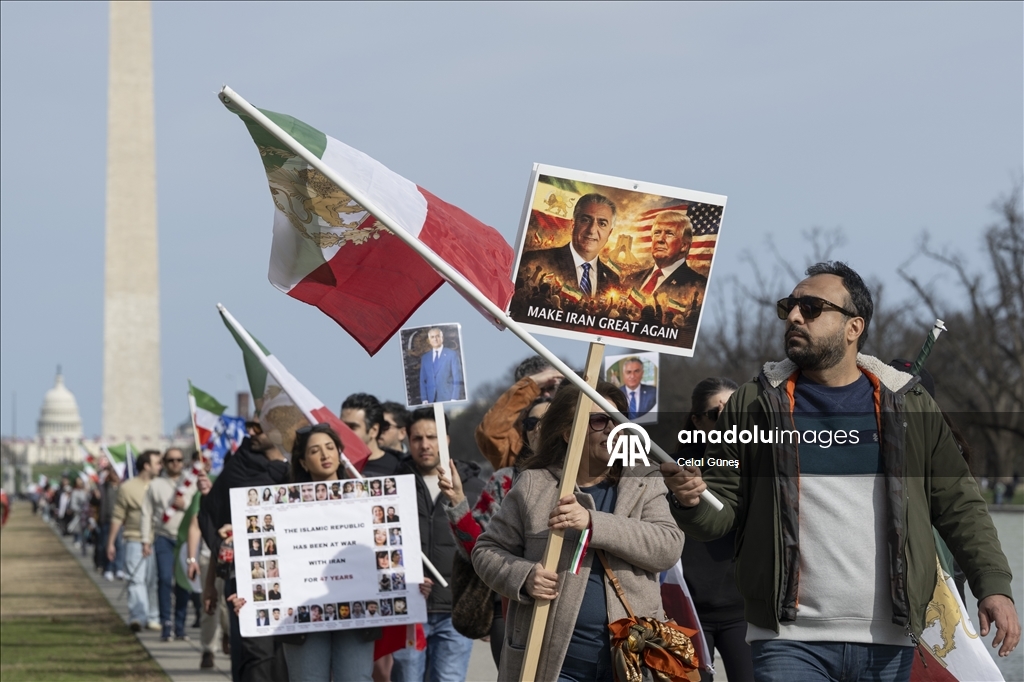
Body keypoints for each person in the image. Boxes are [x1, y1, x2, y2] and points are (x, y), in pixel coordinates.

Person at [662, 261, 1021, 681]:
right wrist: (690, 500)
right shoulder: (752, 404)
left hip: (889, 640)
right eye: (790, 307)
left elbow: (959, 504)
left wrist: (992, 585)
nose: (794, 316)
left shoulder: (909, 403)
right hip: (786, 641)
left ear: (854, 327)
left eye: (812, 308)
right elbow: (719, 508)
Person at [474, 382, 684, 681]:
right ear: (568, 432)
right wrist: (524, 576)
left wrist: (593, 522)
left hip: (631, 662)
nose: (613, 428)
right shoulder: (534, 485)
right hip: (553, 664)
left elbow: (668, 547)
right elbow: (486, 551)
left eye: (620, 418)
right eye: (599, 420)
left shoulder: (644, 479)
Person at [439, 393, 551, 664]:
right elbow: (477, 550)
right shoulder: (504, 482)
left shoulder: (590, 479)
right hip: (510, 607)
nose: (538, 428)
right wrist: (457, 502)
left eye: (547, 421)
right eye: (531, 422)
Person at [391, 408, 484, 682]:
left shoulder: (475, 486)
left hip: (454, 609)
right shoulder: (392, 485)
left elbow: (485, 547)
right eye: (417, 438)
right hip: (408, 608)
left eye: (432, 437)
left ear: (446, 439)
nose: (425, 444)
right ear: (408, 440)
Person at [280, 424, 378, 681]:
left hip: (356, 613)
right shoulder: (282, 509)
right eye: (315, 450)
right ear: (302, 461)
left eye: (330, 447)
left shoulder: (367, 499)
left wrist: (410, 579)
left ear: (339, 453)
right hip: (303, 617)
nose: (325, 455)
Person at [198, 421, 290, 682]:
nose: (251, 433)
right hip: (244, 585)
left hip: (289, 584)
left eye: (258, 427)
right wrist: (210, 585)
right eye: (250, 426)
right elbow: (221, 534)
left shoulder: (299, 470)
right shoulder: (239, 468)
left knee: (284, 660)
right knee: (251, 658)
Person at [675, 377, 753, 682]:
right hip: (687, 610)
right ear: (697, 421)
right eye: (716, 415)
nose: (728, 422)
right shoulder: (675, 470)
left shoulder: (763, 466)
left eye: (736, 413)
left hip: (744, 611)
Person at [515, 193, 622, 301]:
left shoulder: (612, 279)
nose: (592, 230)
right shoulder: (534, 260)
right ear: (573, 224)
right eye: (586, 220)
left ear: (609, 233)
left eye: (602, 224)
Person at [475, 355, 563, 470]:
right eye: (539, 390)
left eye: (551, 388)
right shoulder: (514, 438)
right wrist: (532, 384)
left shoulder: (569, 426)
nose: (545, 395)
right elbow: (489, 433)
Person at [107, 450, 162, 632]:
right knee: (135, 580)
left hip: (157, 539)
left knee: (153, 581)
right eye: (157, 462)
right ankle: (138, 616)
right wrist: (111, 542)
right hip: (134, 538)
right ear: (146, 465)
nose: (160, 466)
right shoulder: (128, 488)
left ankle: (153, 616)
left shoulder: (161, 485)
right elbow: (117, 516)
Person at [141, 447, 193, 642]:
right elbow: (146, 513)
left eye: (179, 460)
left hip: (185, 538)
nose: (175, 463)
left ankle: (180, 625)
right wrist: (146, 540)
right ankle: (166, 623)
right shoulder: (156, 485)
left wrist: (185, 504)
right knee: (163, 579)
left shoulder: (191, 482)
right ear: (164, 463)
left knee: (183, 582)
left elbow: (198, 507)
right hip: (163, 537)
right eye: (171, 460)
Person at [628, 210, 707, 302]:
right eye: (657, 232)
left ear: (684, 246)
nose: (660, 239)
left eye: (669, 233)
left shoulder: (699, 286)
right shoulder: (631, 279)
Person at [343, 393, 405, 477]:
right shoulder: (334, 466)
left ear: (373, 430)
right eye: (342, 426)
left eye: (352, 427)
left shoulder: (400, 468)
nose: (344, 432)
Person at [418, 328, 466, 403]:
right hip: (430, 399)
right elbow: (422, 380)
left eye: (437, 336)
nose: (435, 339)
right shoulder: (425, 358)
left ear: (442, 338)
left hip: (448, 397)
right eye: (432, 337)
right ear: (429, 340)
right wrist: (424, 398)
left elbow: (457, 378)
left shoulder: (452, 354)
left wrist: (454, 398)